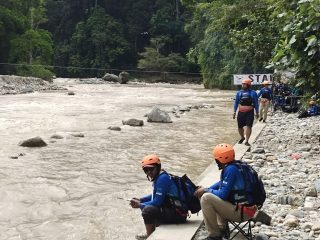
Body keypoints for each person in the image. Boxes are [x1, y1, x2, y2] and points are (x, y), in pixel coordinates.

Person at [194, 143, 258, 240]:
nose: (216, 161)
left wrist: (206, 190)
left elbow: (223, 195)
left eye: (216, 159)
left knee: (206, 198)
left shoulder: (230, 170)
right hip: (248, 209)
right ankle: (221, 228)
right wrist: (206, 188)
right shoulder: (236, 166)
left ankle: (214, 235)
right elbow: (221, 183)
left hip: (242, 213)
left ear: (221, 159)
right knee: (209, 194)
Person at [130, 154, 187, 240]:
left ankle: (149, 236)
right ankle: (152, 231)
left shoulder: (162, 179)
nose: (149, 172)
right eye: (146, 170)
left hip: (178, 215)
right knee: (149, 207)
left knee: (147, 210)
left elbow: (157, 202)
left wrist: (140, 205)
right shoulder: (160, 176)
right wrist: (141, 199)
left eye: (151, 169)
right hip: (176, 211)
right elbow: (156, 195)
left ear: (158, 167)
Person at [233, 79, 259, 146]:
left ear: (248, 85)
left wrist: (257, 112)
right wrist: (234, 112)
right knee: (239, 127)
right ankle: (242, 137)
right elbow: (236, 102)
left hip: (249, 112)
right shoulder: (239, 93)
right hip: (241, 112)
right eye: (242, 84)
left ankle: (247, 141)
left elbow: (256, 103)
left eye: (244, 84)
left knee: (249, 126)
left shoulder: (253, 93)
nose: (243, 85)